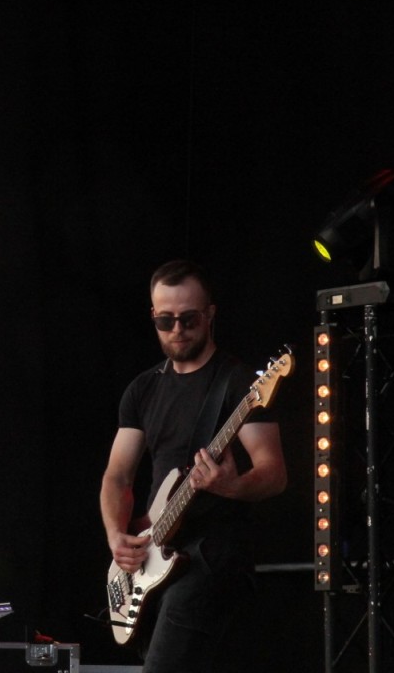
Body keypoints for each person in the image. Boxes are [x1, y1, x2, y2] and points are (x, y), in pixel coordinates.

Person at [99, 259, 287, 672]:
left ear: (210, 315)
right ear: (153, 316)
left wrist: (231, 486)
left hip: (212, 558)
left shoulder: (240, 384)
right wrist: (117, 536)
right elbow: (117, 476)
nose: (177, 330)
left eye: (189, 319)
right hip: (156, 554)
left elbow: (274, 473)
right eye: (165, 321)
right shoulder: (142, 389)